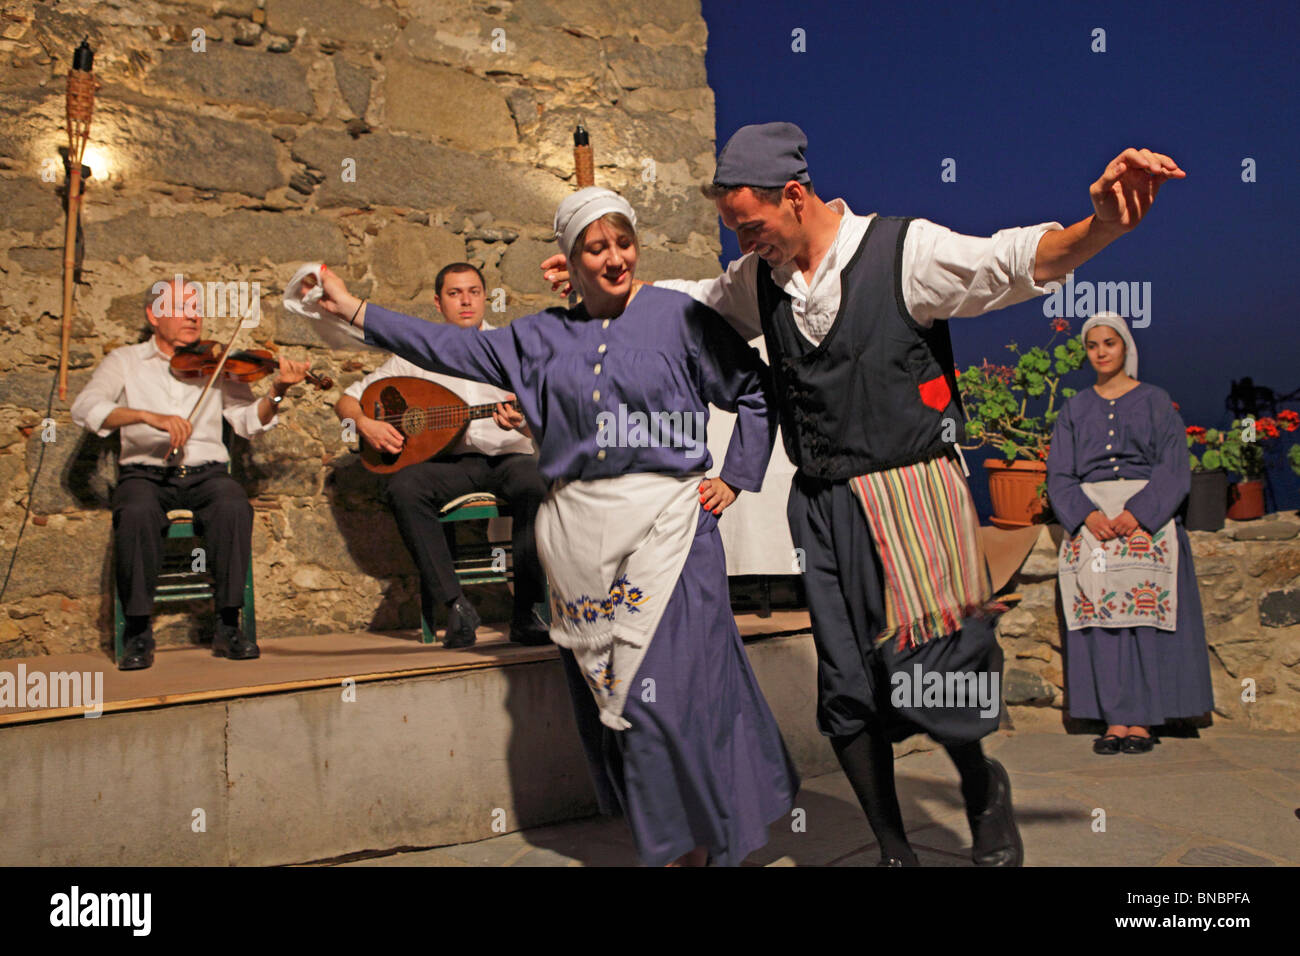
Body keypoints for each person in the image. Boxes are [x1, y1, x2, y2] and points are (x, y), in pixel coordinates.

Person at [543, 123, 1184, 866]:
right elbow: (689, 305)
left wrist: (1101, 225)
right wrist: (598, 283)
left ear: (794, 194)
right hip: (822, 505)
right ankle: (892, 849)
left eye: (752, 226)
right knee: (846, 690)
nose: (745, 243)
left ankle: (982, 789)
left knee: (938, 671)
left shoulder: (902, 251)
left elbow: (1011, 261)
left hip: (914, 493)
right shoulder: (759, 279)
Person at [302, 187, 800, 867]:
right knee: (626, 705)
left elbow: (752, 389)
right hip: (583, 547)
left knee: (683, 694)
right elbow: (438, 343)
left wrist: (737, 476)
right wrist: (355, 311)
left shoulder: (677, 319)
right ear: (570, 259)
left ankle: (719, 834)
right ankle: (674, 845)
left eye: (624, 244)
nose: (616, 258)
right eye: (598, 248)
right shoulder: (536, 340)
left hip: (673, 539)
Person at [71, 277, 309, 670]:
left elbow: (249, 421)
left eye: (196, 308)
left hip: (206, 474)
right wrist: (145, 416)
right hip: (145, 475)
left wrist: (278, 392)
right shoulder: (125, 361)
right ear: (153, 316)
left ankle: (228, 624)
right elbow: (86, 407)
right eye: (182, 308)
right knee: (134, 513)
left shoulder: (216, 362)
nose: (193, 316)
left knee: (234, 505)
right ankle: (138, 630)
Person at [334, 262, 549, 647]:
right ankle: (456, 606)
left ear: (485, 297)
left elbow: (545, 425)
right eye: (454, 293)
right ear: (438, 302)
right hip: (450, 464)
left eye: (473, 292)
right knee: (404, 487)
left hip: (509, 460)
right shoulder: (415, 355)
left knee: (535, 482)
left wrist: (521, 423)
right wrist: (366, 424)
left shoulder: (511, 350)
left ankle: (528, 613)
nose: (466, 301)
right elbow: (347, 400)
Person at [1047, 312, 1214, 754]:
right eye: (1093, 345)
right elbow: (1060, 474)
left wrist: (1139, 513)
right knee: (1101, 621)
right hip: (1094, 524)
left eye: (1110, 343)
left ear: (1126, 348)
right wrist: (1087, 515)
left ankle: (1142, 721)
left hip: (1147, 521)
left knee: (1145, 619)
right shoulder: (1074, 409)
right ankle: (1115, 720)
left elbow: (1174, 468)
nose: (1101, 352)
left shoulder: (1156, 401)